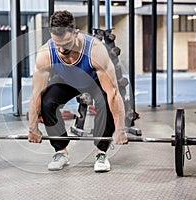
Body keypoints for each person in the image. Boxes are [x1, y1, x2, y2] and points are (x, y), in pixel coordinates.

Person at [28, 10, 128, 172]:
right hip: (67, 81)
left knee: (105, 102)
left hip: (94, 82)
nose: (61, 49)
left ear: (76, 33)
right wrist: (33, 128)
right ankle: (61, 151)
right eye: (57, 44)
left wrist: (120, 129)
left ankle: (101, 152)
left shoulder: (95, 50)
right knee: (47, 101)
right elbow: (36, 94)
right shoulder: (45, 53)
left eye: (66, 43)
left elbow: (113, 94)